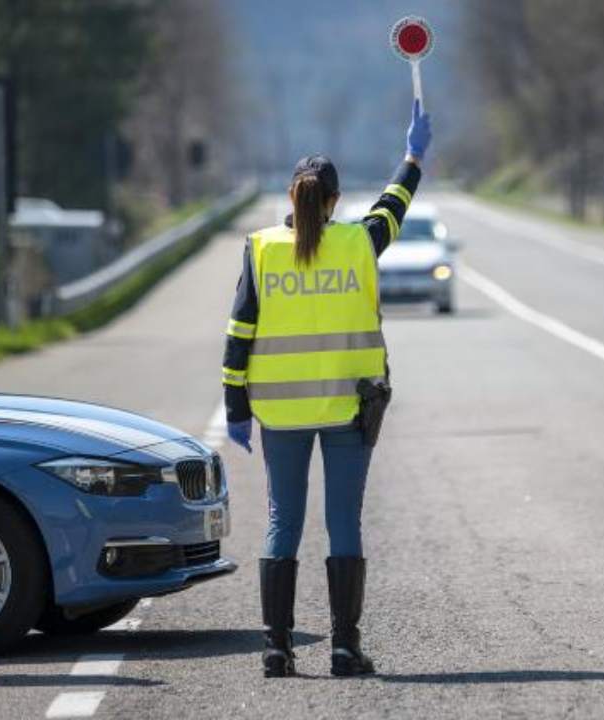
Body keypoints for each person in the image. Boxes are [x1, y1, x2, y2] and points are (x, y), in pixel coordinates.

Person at [221, 101, 431, 677]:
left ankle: (276, 649)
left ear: (292, 198)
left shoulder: (261, 249)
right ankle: (343, 647)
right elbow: (395, 205)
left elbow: (239, 333)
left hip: (279, 414)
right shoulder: (360, 242)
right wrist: (412, 157)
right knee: (344, 522)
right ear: (334, 201)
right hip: (347, 408)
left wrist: (236, 407)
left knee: (281, 522)